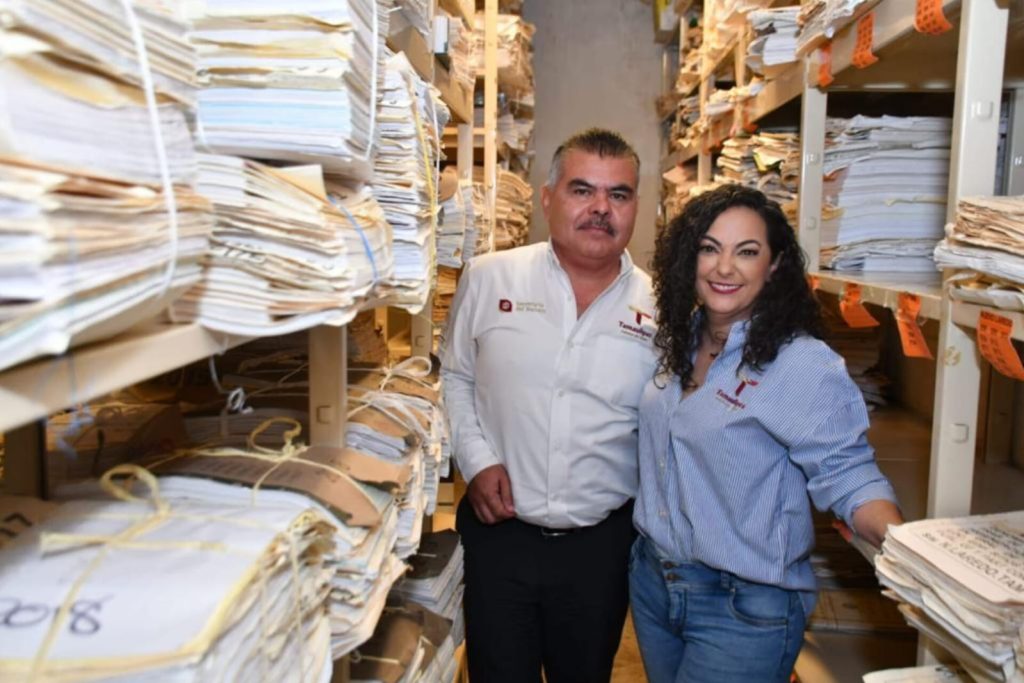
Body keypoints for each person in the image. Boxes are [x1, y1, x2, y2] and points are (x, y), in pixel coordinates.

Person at [630, 184, 904, 683]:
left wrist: (910, 550)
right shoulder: (678, 339)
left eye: (747, 252)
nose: (724, 268)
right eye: (709, 248)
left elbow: (848, 473)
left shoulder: (800, 363)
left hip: (742, 608)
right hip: (654, 583)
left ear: (774, 265)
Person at [441, 128, 658, 683]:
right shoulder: (489, 277)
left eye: (618, 194)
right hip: (498, 538)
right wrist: (476, 460)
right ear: (547, 198)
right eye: (582, 190)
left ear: (636, 207)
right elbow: (457, 376)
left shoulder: (662, 308)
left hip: (601, 550)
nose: (600, 208)